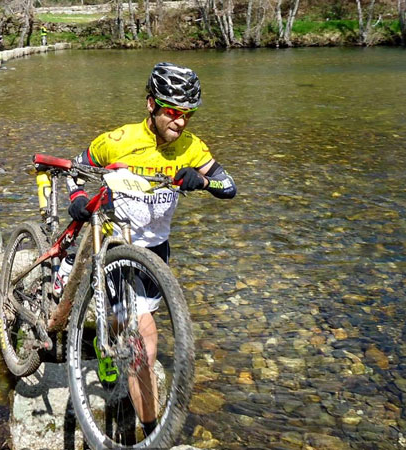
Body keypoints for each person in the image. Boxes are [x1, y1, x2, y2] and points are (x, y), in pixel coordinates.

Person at [68, 62, 236, 438]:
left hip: (156, 251)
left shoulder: (192, 147)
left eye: (188, 114)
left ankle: (148, 432)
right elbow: (78, 167)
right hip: (113, 245)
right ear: (151, 105)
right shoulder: (117, 140)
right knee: (141, 334)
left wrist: (203, 179)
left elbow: (229, 186)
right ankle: (151, 431)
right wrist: (78, 197)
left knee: (138, 333)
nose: (180, 122)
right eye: (173, 112)